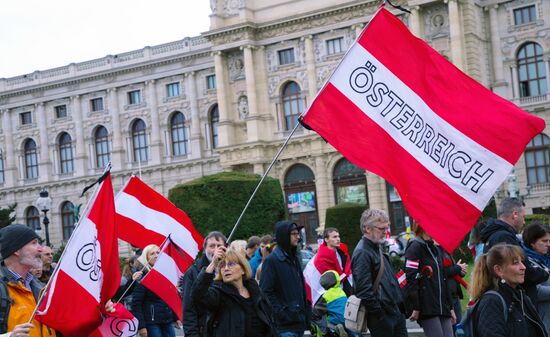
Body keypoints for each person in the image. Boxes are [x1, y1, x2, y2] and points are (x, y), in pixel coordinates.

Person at [191, 247, 277, 337]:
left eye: (231, 264)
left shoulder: (256, 291)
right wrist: (213, 263)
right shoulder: (218, 293)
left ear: (243, 270)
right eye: (222, 265)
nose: (226, 268)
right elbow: (197, 295)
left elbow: (269, 322)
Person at [351, 209, 407, 337]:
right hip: (382, 317)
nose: (385, 232)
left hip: (394, 312)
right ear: (367, 229)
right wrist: (381, 316)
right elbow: (364, 291)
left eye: (386, 228)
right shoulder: (362, 253)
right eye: (381, 228)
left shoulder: (376, 247)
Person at [470, 243, 546, 337]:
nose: (523, 267)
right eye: (515, 263)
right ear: (499, 270)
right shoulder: (491, 301)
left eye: (522, 261)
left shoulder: (520, 295)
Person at [480, 197, 548, 294]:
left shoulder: (499, 234)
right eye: (523, 217)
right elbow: (522, 271)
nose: (524, 222)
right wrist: (544, 274)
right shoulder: (503, 237)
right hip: (511, 296)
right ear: (515, 214)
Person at [0, 224, 57, 337]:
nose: (40, 248)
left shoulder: (40, 287)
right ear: (16, 250)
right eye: (34, 243)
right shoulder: (2, 289)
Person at [260, 221, 311, 337]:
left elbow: (301, 288)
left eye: (297, 233)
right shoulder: (272, 261)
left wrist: (307, 310)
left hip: (299, 323)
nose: (297, 237)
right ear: (284, 236)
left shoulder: (294, 259)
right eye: (293, 234)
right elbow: (265, 292)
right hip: (284, 327)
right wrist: (281, 313)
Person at [405, 223, 455, 337]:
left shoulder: (435, 248)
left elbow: (443, 278)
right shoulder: (415, 247)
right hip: (428, 306)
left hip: (443, 306)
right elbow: (412, 278)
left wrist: (450, 307)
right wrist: (416, 307)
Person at [179, 231, 227, 337]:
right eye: (212, 246)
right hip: (203, 331)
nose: (215, 250)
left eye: (219, 246)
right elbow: (188, 307)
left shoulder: (230, 269)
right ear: (205, 249)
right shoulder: (193, 272)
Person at [132, 244, 180, 337]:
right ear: (146, 257)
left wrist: (176, 317)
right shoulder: (142, 276)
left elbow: (170, 298)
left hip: (167, 320)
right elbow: (136, 304)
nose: (156, 255)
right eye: (152, 253)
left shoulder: (165, 274)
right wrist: (141, 326)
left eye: (158, 252)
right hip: (151, 323)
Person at [522, 223, 550, 334]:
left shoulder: (546, 258)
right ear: (532, 242)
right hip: (542, 318)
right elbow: (536, 291)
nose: (548, 244)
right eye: (544, 241)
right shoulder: (526, 263)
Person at [316, 228, 352, 296]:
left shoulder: (343, 252)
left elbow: (347, 270)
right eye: (334, 237)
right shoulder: (321, 258)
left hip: (346, 289)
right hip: (332, 295)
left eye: (338, 236)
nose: (338, 239)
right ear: (326, 239)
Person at [311, 270, 348, 337]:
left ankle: (325, 332)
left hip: (334, 322)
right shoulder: (342, 292)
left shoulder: (326, 295)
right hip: (346, 321)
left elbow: (316, 312)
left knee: (317, 318)